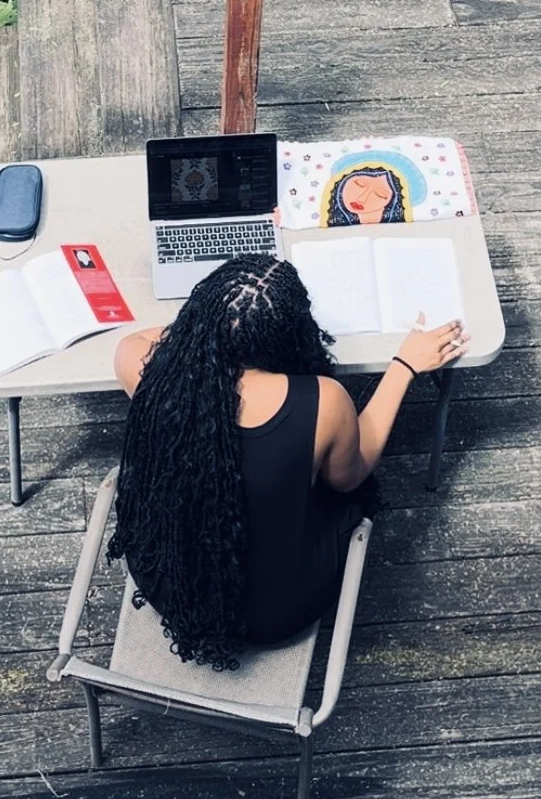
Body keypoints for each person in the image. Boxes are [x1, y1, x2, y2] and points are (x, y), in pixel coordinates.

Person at [110, 254, 468, 671]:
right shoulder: (322, 401)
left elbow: (156, 338)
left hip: (169, 582)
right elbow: (350, 476)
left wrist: (206, 329)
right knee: (338, 489)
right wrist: (403, 366)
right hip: (275, 614)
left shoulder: (138, 364)